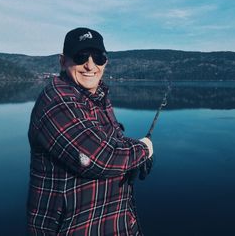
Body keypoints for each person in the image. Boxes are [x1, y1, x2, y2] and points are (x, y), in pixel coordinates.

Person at [27, 27, 154, 235]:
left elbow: (111, 144)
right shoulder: (56, 101)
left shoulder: (98, 97)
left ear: (106, 61)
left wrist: (135, 159)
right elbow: (99, 159)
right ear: (62, 61)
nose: (90, 65)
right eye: (80, 56)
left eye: (98, 57)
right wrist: (144, 150)